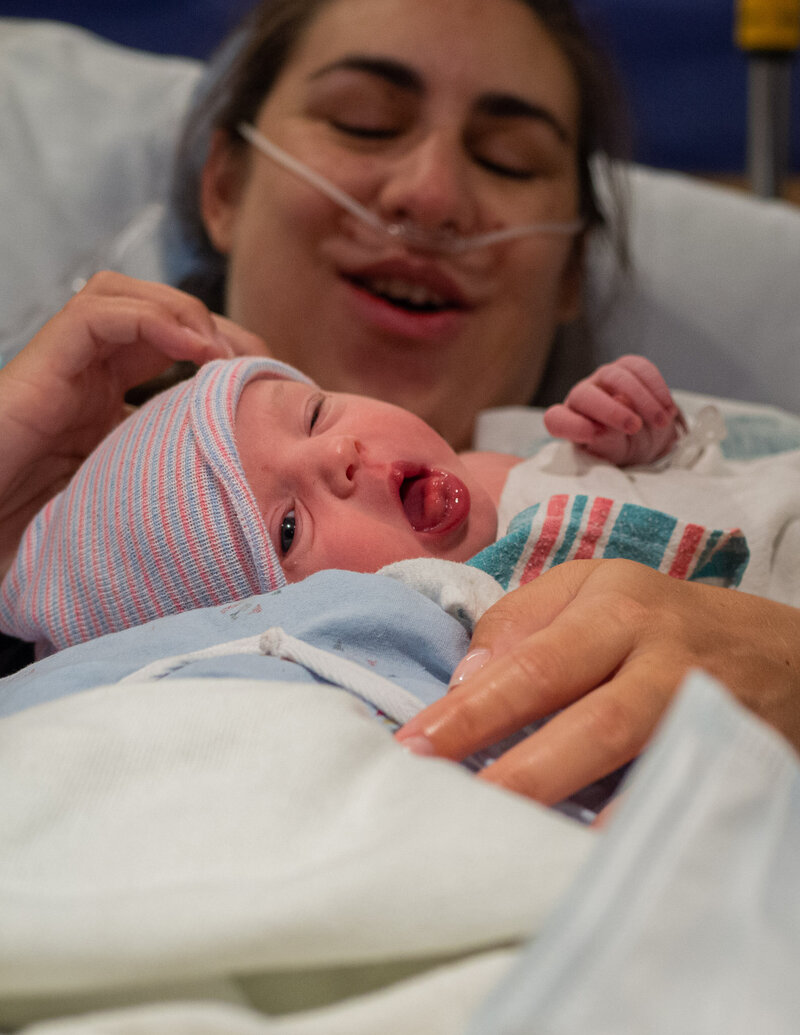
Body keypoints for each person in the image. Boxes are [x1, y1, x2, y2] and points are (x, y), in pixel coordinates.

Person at [1, 0, 799, 803]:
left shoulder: (612, 447)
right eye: (365, 122)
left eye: (509, 160)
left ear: (568, 273)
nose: (432, 195)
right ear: (223, 187)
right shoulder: (157, 682)